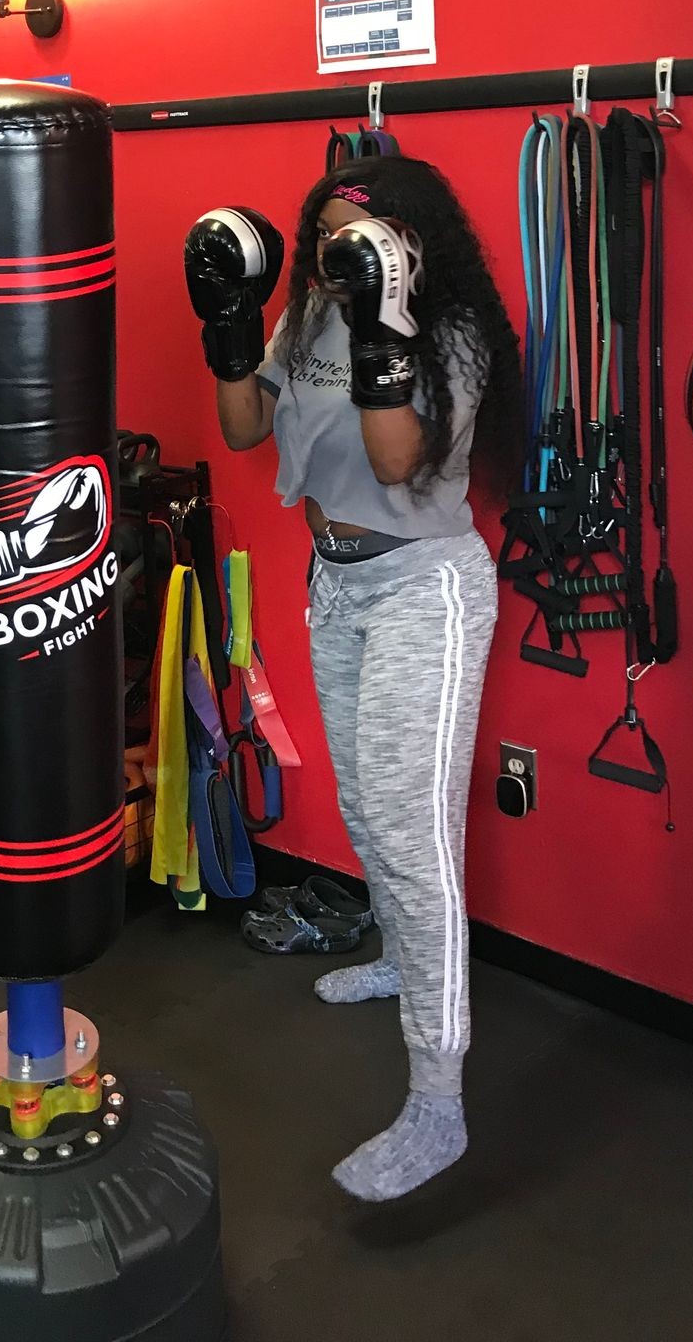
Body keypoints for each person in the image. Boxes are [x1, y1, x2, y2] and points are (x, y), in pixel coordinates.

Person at [184, 161, 521, 1200]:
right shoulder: (308, 316)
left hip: (427, 588)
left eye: (356, 245)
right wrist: (232, 327)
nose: (335, 265)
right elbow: (246, 430)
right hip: (338, 584)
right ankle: (396, 957)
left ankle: (438, 1103)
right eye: (323, 241)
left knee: (416, 843)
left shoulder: (450, 334)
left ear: (408, 245)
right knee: (368, 807)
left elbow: (393, 465)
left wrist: (386, 330)